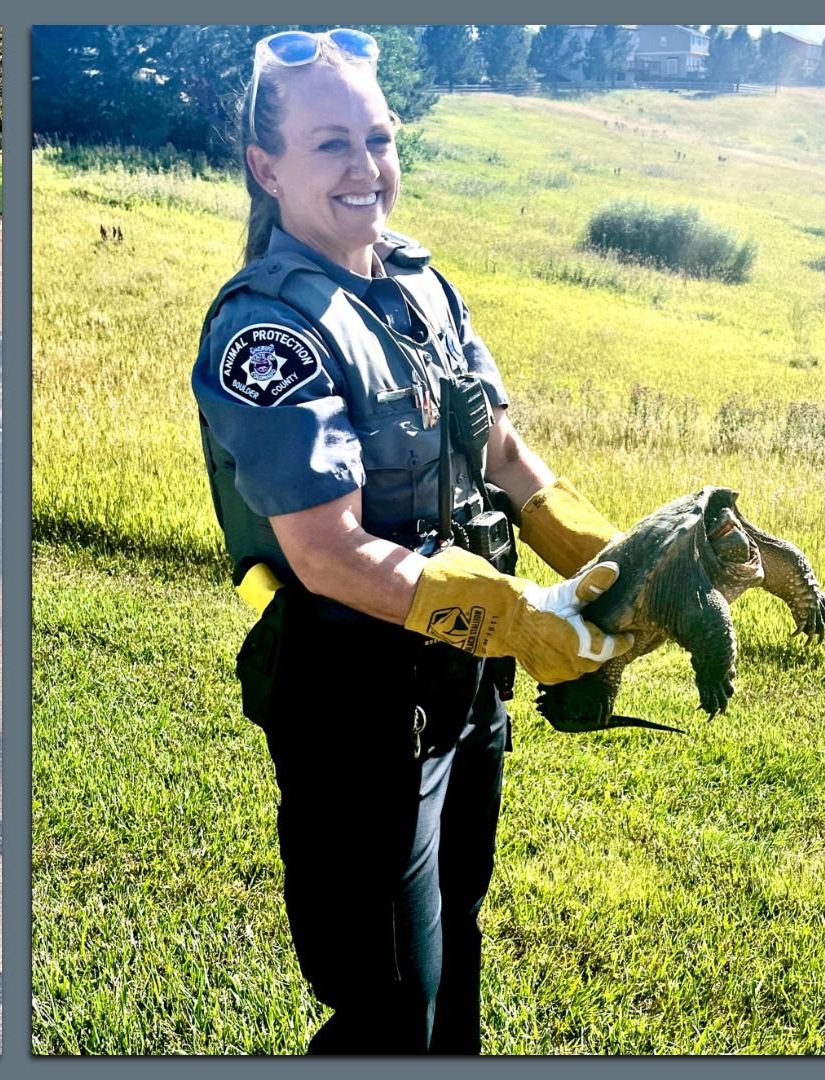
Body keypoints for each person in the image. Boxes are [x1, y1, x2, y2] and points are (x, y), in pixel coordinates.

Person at [190, 29, 630, 1054]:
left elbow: (509, 463)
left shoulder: (422, 288)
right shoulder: (268, 330)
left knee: (456, 946)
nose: (364, 167)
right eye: (330, 143)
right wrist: (518, 618)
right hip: (353, 699)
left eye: (378, 139)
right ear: (267, 165)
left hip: (466, 691)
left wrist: (621, 565)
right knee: (386, 1001)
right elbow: (327, 554)